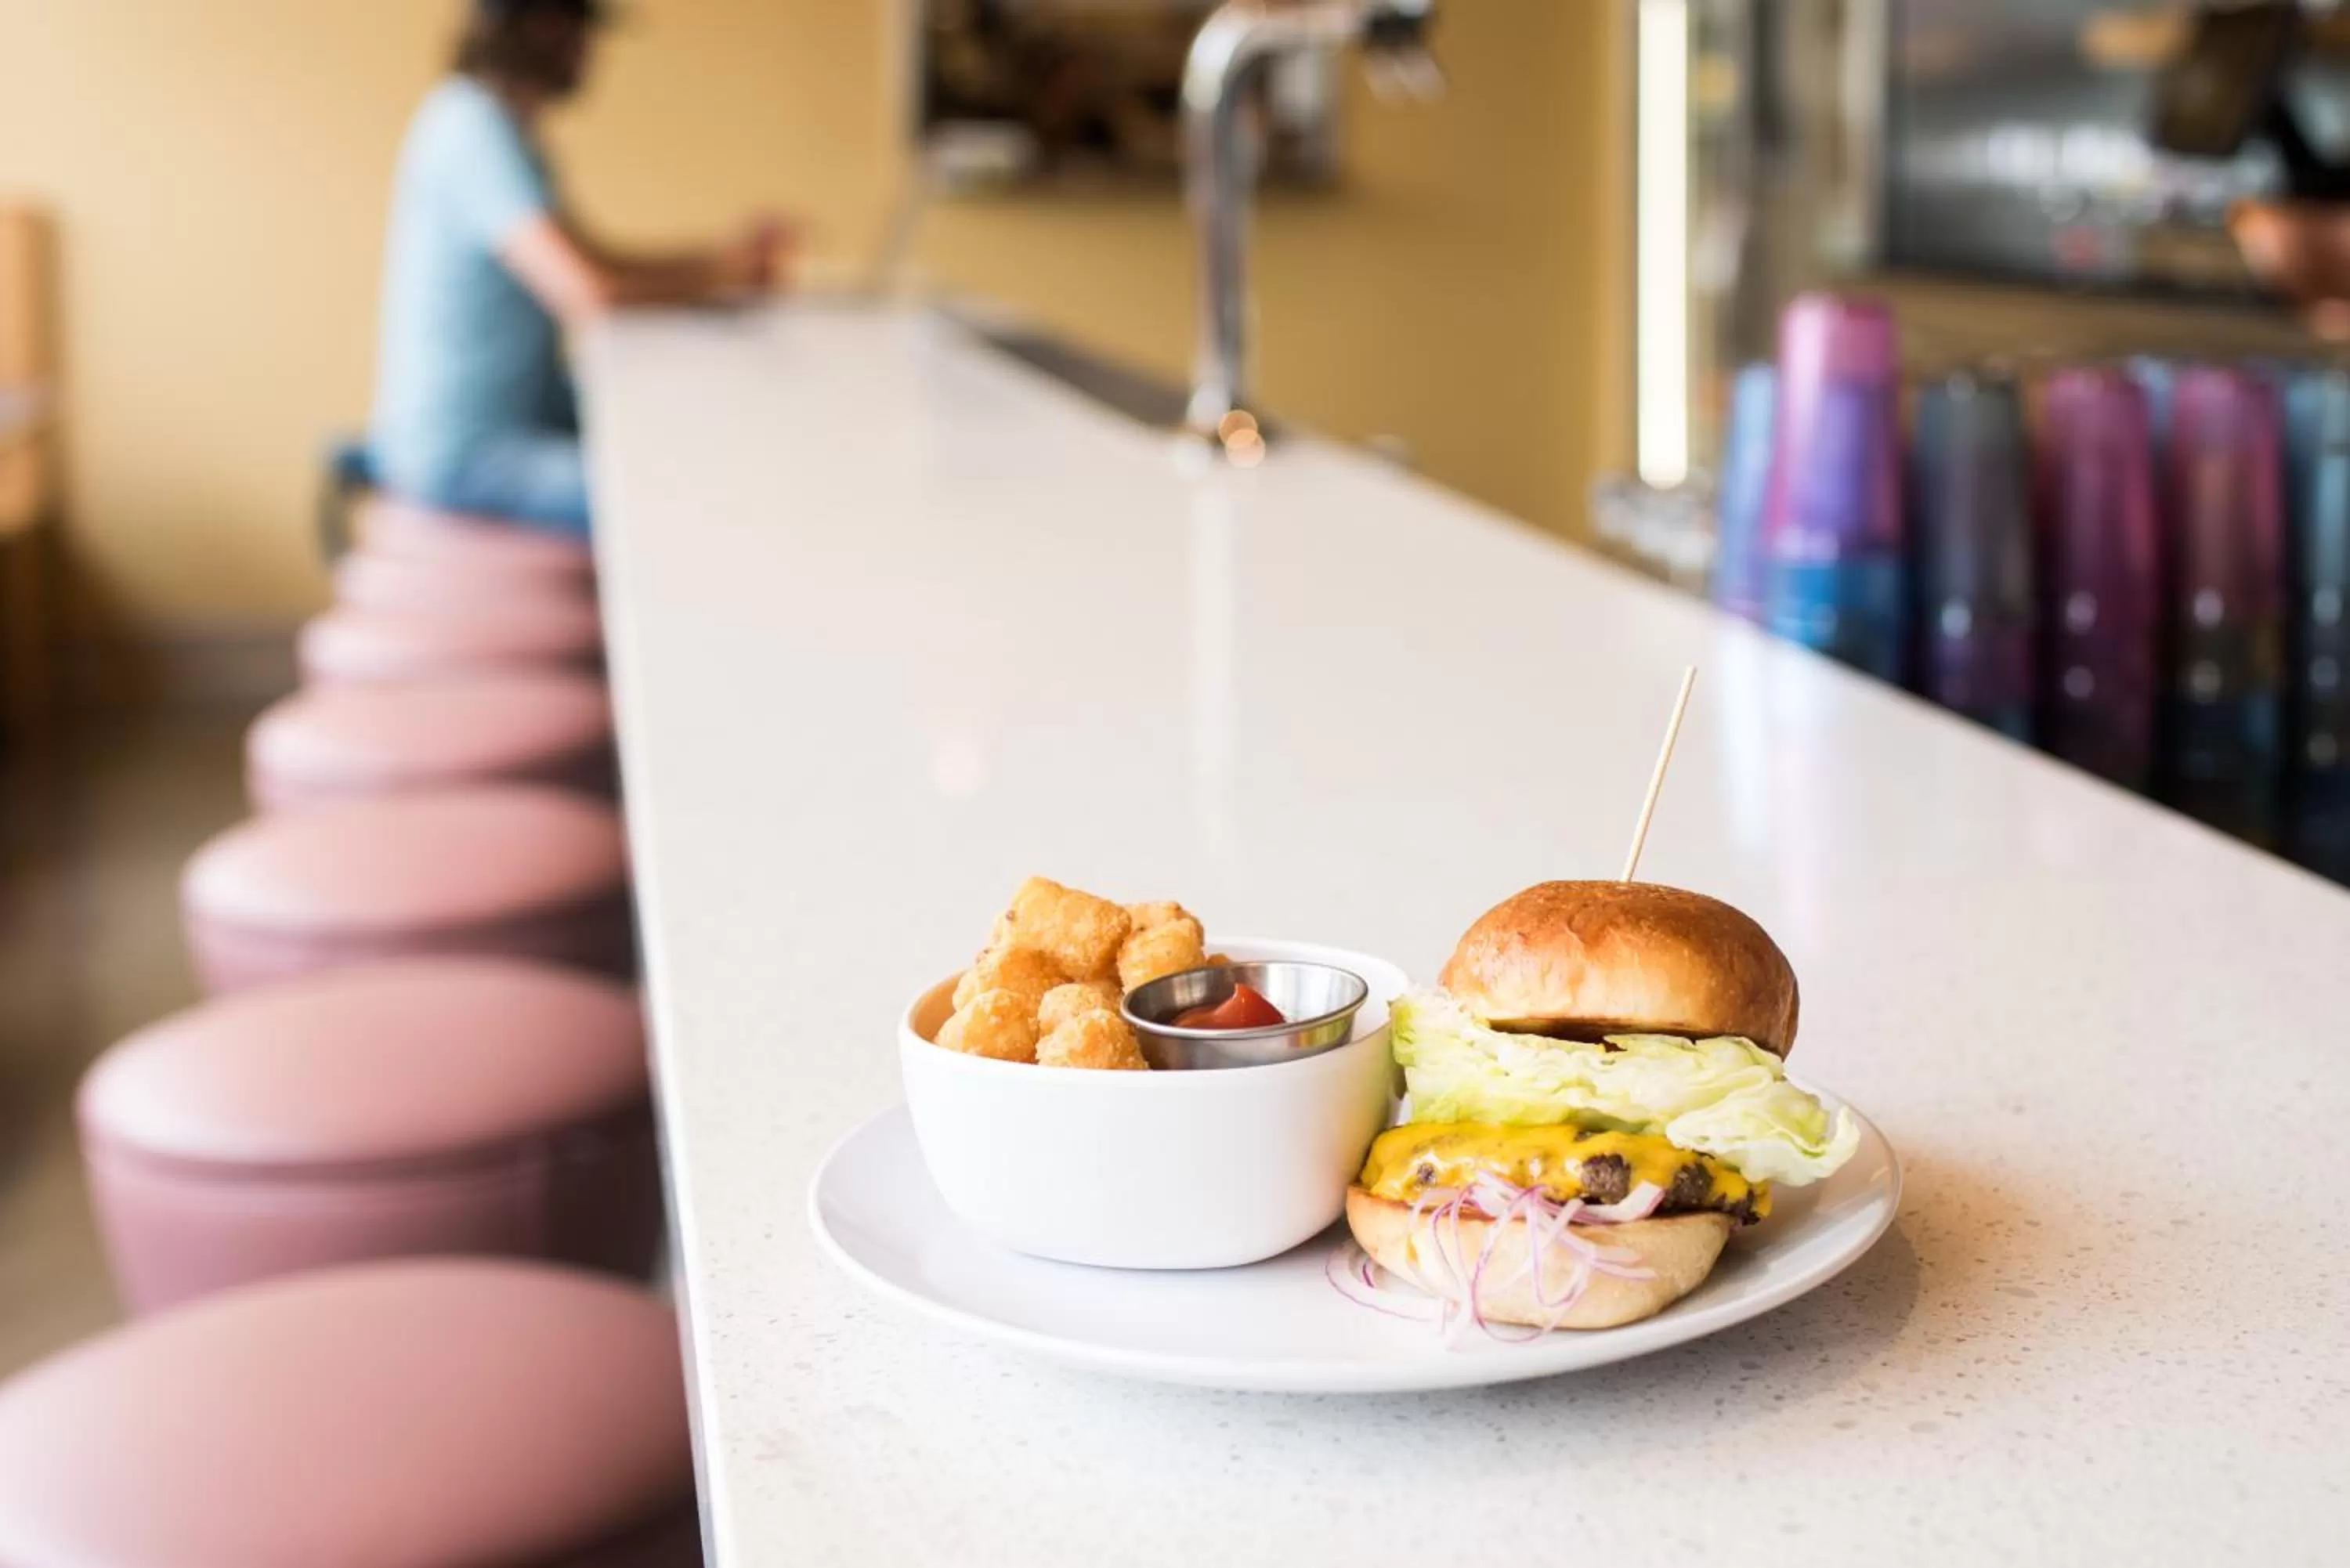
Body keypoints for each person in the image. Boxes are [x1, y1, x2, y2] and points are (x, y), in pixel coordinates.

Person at [370, 0, 786, 537]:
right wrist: (722, 275)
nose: (593, 56)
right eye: (586, 36)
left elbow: (598, 261)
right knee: (682, 494)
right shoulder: (475, 132)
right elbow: (592, 291)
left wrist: (723, 264)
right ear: (548, 26)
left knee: (689, 436)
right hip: (468, 452)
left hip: (522, 413)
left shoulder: (495, 126)